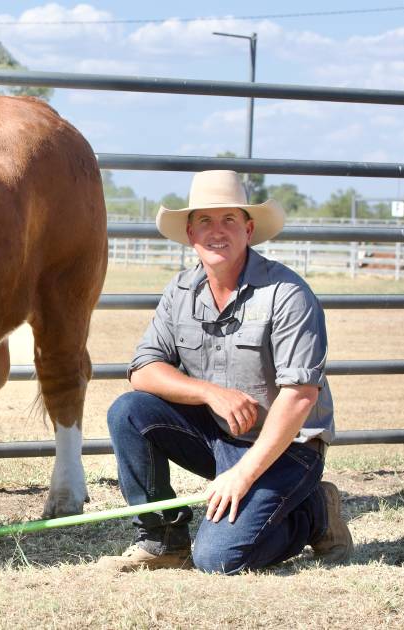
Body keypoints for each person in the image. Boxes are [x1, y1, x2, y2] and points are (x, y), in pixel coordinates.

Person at [98, 170, 352, 574]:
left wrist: (242, 475)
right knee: (129, 411)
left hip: (288, 449)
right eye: (205, 221)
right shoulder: (180, 291)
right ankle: (162, 539)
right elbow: (143, 371)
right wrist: (209, 393)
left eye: (229, 220)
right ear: (190, 233)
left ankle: (315, 513)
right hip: (218, 435)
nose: (217, 232)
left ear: (249, 230)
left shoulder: (287, 294)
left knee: (218, 559)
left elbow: (301, 395)